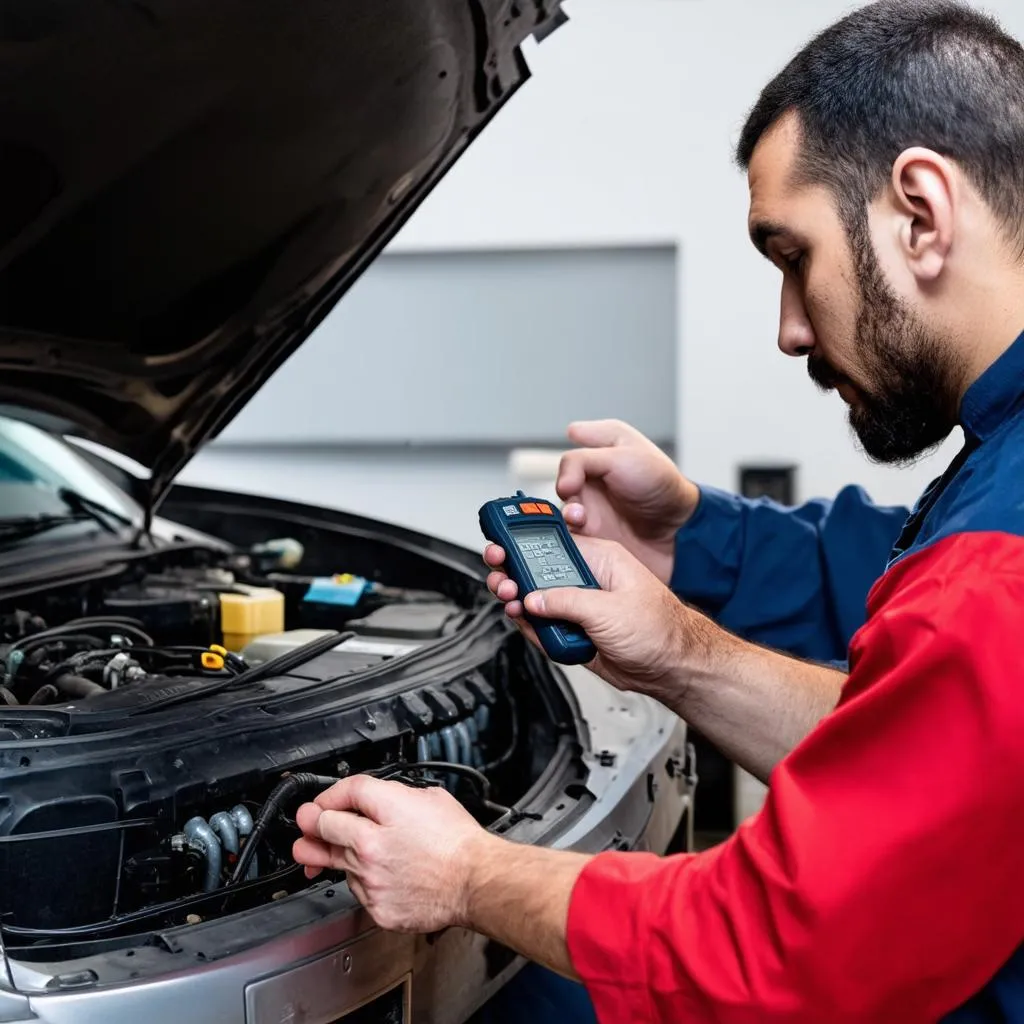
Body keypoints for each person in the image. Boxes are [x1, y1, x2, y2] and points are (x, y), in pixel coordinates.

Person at [291, 1, 1024, 1020]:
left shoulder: (996, 569)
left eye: (791, 254)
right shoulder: (999, 477)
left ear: (921, 211)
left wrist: (463, 872)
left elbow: (770, 949)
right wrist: (684, 584)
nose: (788, 328)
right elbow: (918, 744)